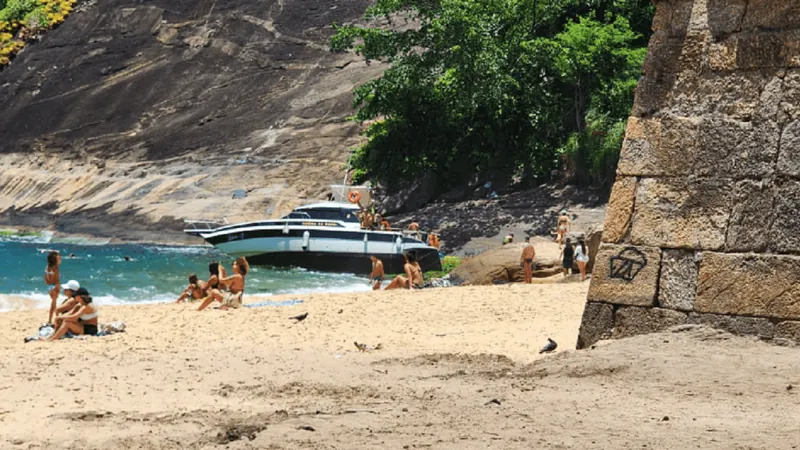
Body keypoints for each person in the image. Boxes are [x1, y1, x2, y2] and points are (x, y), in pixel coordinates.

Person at [44, 251, 61, 325]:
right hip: (55, 287)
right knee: (53, 305)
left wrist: (49, 285)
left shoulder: (48, 267)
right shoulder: (55, 268)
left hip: (50, 287)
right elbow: (57, 280)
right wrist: (58, 288)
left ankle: (56, 317)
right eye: (59, 258)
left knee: (54, 304)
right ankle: (50, 320)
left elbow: (46, 280)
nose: (60, 260)